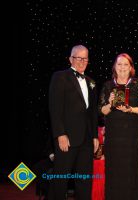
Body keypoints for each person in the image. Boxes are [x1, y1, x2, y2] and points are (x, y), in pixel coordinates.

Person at [48, 44, 99, 200]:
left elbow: (92, 113)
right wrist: (60, 134)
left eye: (85, 58)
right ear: (71, 59)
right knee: (61, 179)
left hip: (86, 140)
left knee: (84, 180)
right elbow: (55, 108)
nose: (82, 61)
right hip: (67, 138)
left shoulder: (91, 81)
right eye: (79, 58)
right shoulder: (60, 77)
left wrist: (95, 136)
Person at [99, 53, 138, 200]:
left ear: (131, 67)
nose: (122, 67)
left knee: (131, 171)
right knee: (114, 172)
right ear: (115, 66)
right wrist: (109, 103)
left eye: (126, 64)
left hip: (132, 136)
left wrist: (131, 109)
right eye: (119, 64)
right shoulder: (108, 86)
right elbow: (101, 111)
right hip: (114, 137)